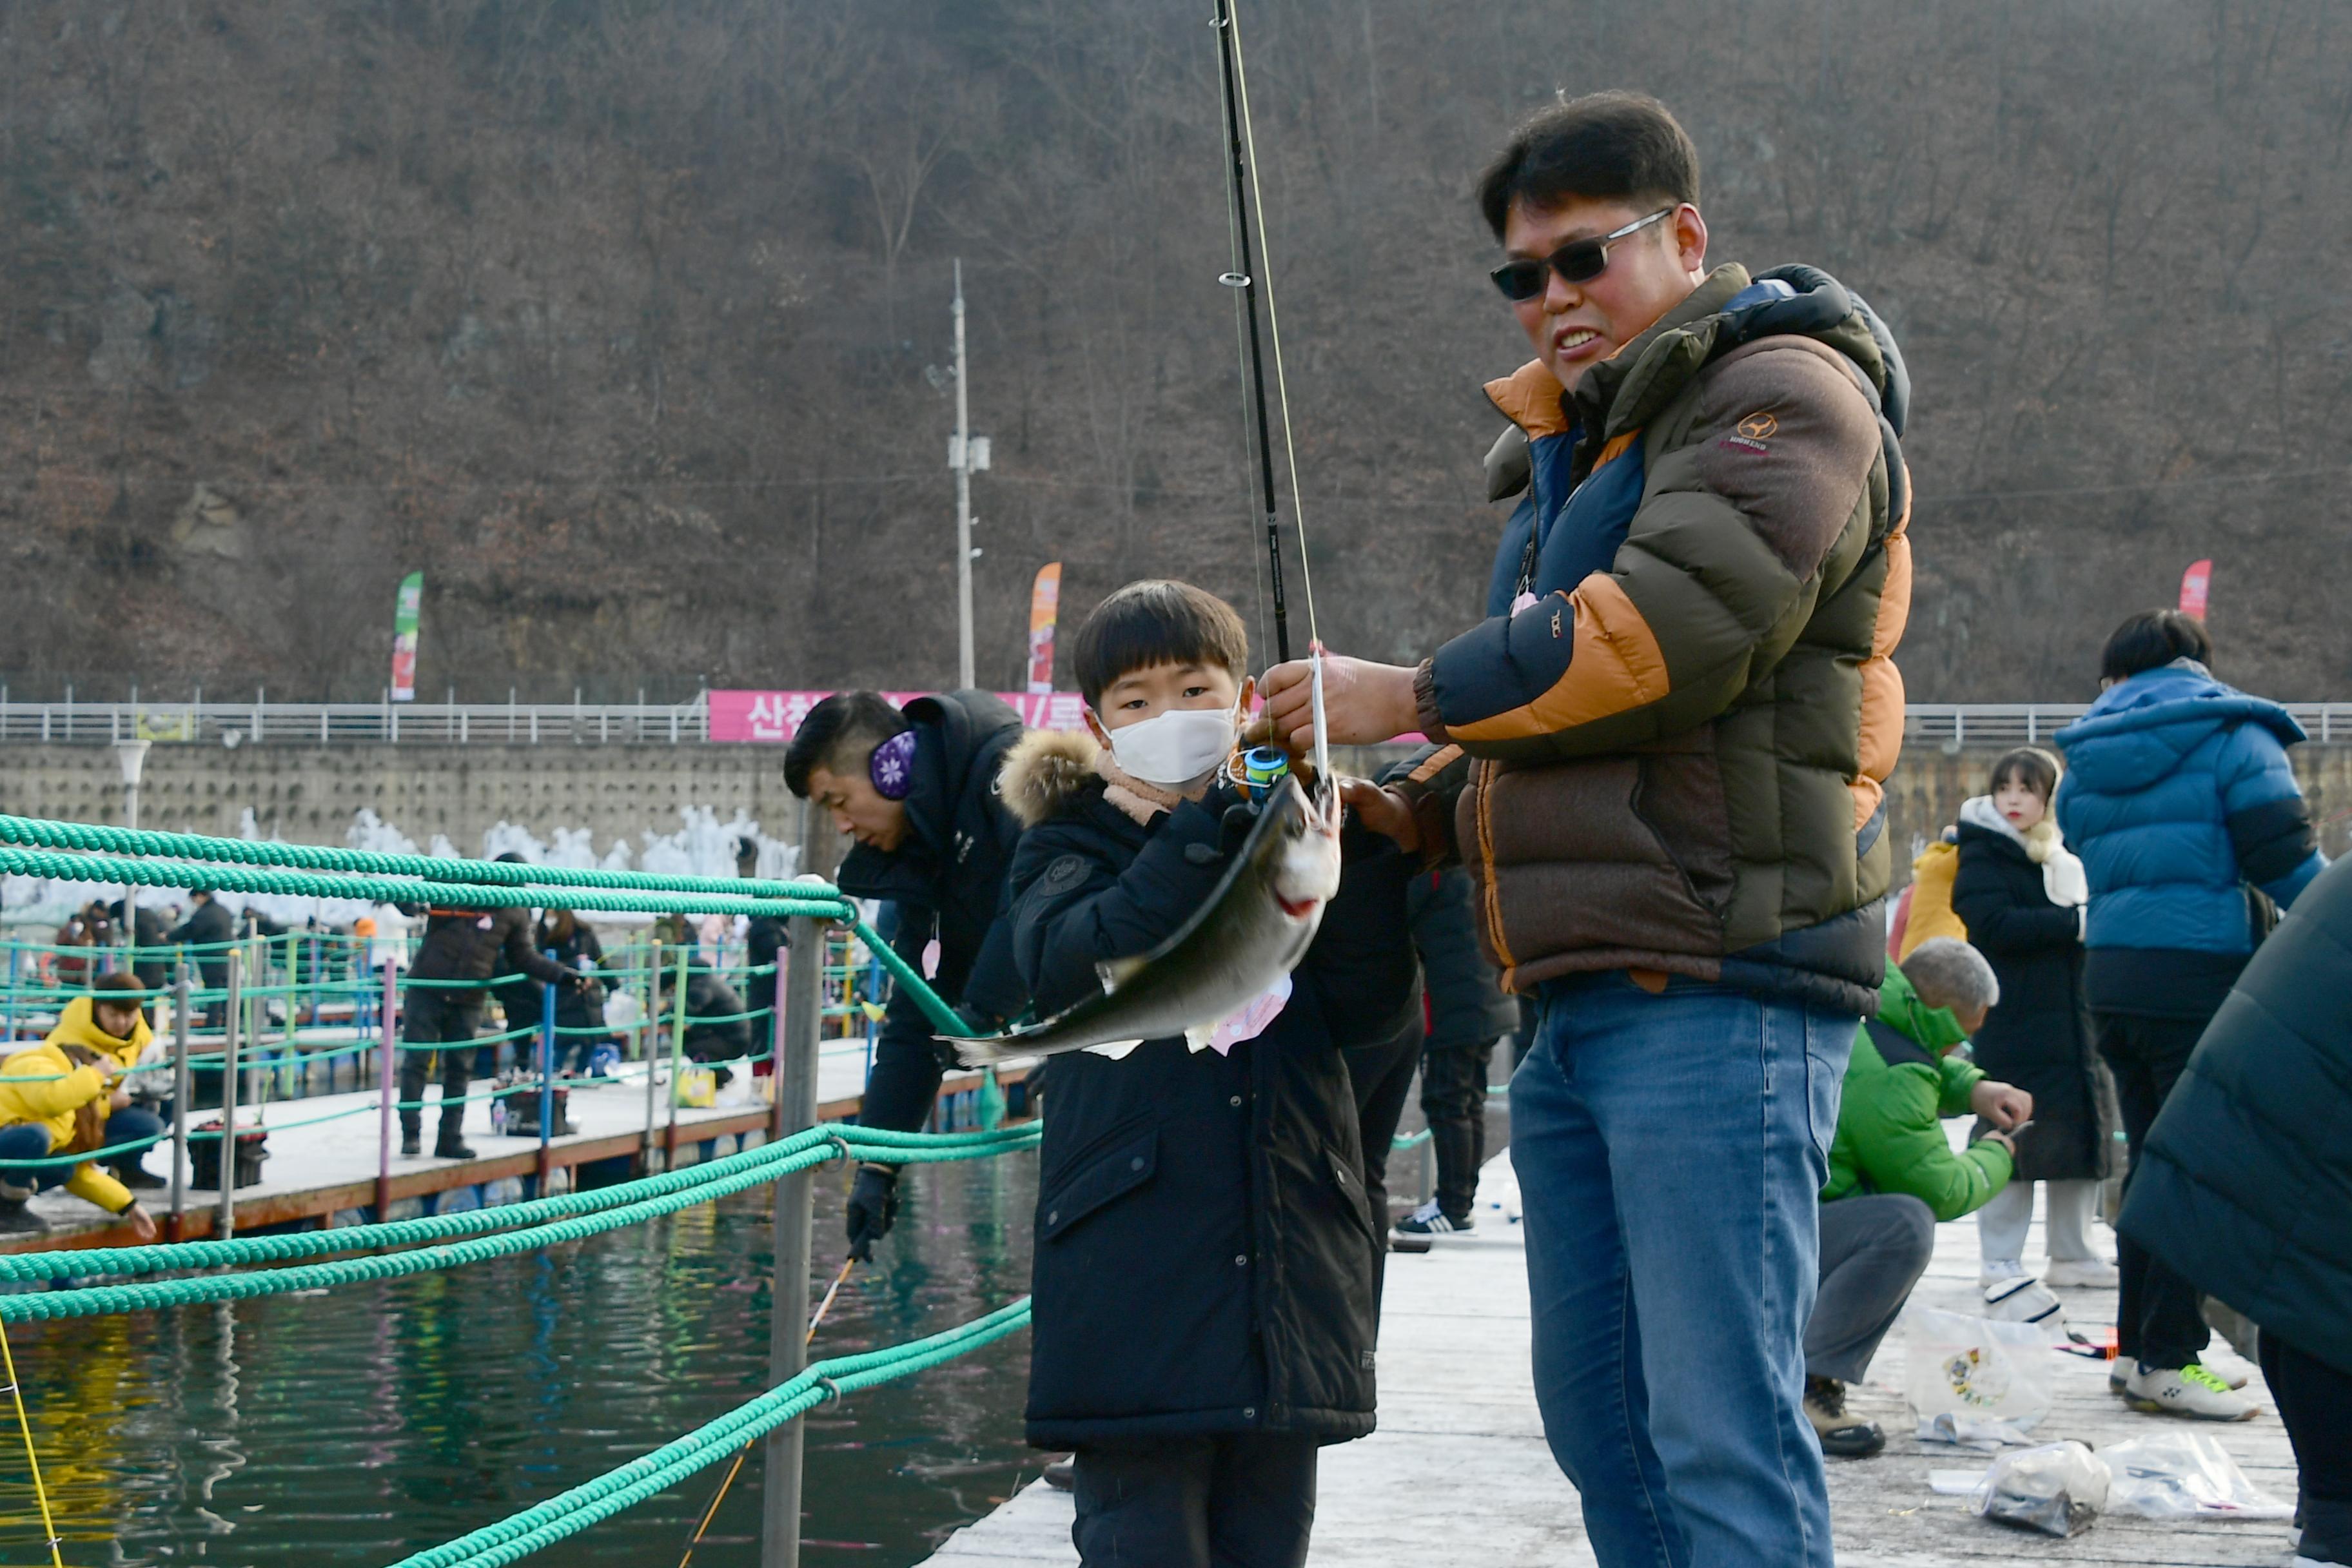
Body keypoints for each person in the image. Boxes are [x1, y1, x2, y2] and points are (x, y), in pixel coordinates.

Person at [1259, 92, 1911, 1566]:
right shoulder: (1574, 462)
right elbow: (1549, 727)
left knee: (1719, 1425)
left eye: (1582, 257)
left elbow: (1660, 641)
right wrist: (1399, 809)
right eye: (1521, 274)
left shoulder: (1786, 392)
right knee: (1601, 1416)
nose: (1551, 298)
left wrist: (1399, 691)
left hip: (1721, 978)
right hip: (1576, 995)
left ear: (1684, 237)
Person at [992, 580, 1412, 1568]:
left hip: (1288, 1255)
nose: (1169, 718)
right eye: (1137, 702)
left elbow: (1372, 1015)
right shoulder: (1065, 846)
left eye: (1195, 690)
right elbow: (1087, 958)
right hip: (1131, 1274)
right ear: (1097, 725)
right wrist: (1200, 830)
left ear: (1243, 702)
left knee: (1268, 1540)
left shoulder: (1293, 818)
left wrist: (1361, 874)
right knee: (1142, 1537)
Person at [2055, 609, 2324, 1420]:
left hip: (2111, 973)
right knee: (2201, 1165)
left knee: (2153, 1156)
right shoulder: (2231, 732)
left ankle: (2140, 1347)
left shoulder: (2086, 754)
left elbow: (2081, 843)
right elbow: (2282, 856)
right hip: (2201, 973)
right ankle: (2171, 1356)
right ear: (2198, 662)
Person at [2118, 854, 2351, 1562]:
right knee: (2323, 1293)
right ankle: (2336, 1515)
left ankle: (2329, 1503)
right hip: (2304, 1095)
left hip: (2268, 1080)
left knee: (2299, 1284)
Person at [784, 688, 1028, 1260]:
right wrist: (878, 1164)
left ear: (893, 770)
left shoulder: (1009, 771)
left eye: (838, 801)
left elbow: (1040, 887)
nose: (841, 825)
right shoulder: (923, 855)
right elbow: (915, 1018)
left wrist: (985, 1013)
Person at [1810, 940, 2028, 1458]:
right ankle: (1808, 1385)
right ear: (1941, 1012)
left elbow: (1918, 1062)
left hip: (1772, 1210)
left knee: (1892, 1214)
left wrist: (1973, 1089)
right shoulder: (1890, 1077)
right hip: (1777, 1232)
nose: (1961, 1051)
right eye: (1962, 1038)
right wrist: (1996, 1153)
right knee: (1904, 1224)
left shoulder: (1870, 1002)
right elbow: (1943, 1190)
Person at [1947, 747, 2115, 1289]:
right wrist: (2072, 925)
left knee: (2076, 1135)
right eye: (2005, 788)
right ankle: (2000, 1258)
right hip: (2013, 1020)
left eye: (2028, 789)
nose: (2014, 799)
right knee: (2009, 1130)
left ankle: (2073, 1252)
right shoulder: (1981, 853)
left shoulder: (2063, 856)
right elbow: (1992, 922)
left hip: (2070, 1024)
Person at [398, 858, 580, 1161]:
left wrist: (562, 975)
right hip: (427, 988)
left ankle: (449, 1138)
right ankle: (411, 1135)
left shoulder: (516, 909)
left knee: (460, 1068)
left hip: (470, 997)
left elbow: (523, 955)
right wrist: (412, 906)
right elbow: (408, 894)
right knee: (417, 1061)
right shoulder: (459, 882)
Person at [1391, 863, 1521, 1236]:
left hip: (1455, 1008)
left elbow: (1403, 909)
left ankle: (1453, 1205)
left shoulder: (1433, 872)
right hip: (1483, 1002)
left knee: (1447, 1103)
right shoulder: (1467, 866)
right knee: (1468, 1103)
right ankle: (1458, 1201)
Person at [0, 977, 164, 1239]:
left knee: (65, 1166)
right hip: (10, 1140)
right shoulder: (36, 1062)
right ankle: (7, 1208)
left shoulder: (78, 1099)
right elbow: (50, 1099)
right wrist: (96, 1076)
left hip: (18, 1149)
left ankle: (10, 1206)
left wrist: (128, 1206)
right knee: (35, 1137)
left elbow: (81, 1175)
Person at [736, 836, 789, 1083]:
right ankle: (763, 1083)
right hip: (768, 992)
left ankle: (767, 1082)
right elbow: (777, 951)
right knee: (765, 1035)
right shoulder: (766, 927)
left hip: (767, 991)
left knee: (769, 1034)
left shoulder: (766, 924)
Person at [167, 887, 235, 1026]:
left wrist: (169, 936)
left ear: (200, 896)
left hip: (211, 959)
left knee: (213, 991)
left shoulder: (205, 914)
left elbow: (191, 929)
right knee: (226, 991)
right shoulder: (223, 911)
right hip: (227, 956)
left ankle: (212, 1024)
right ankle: (228, 1023)